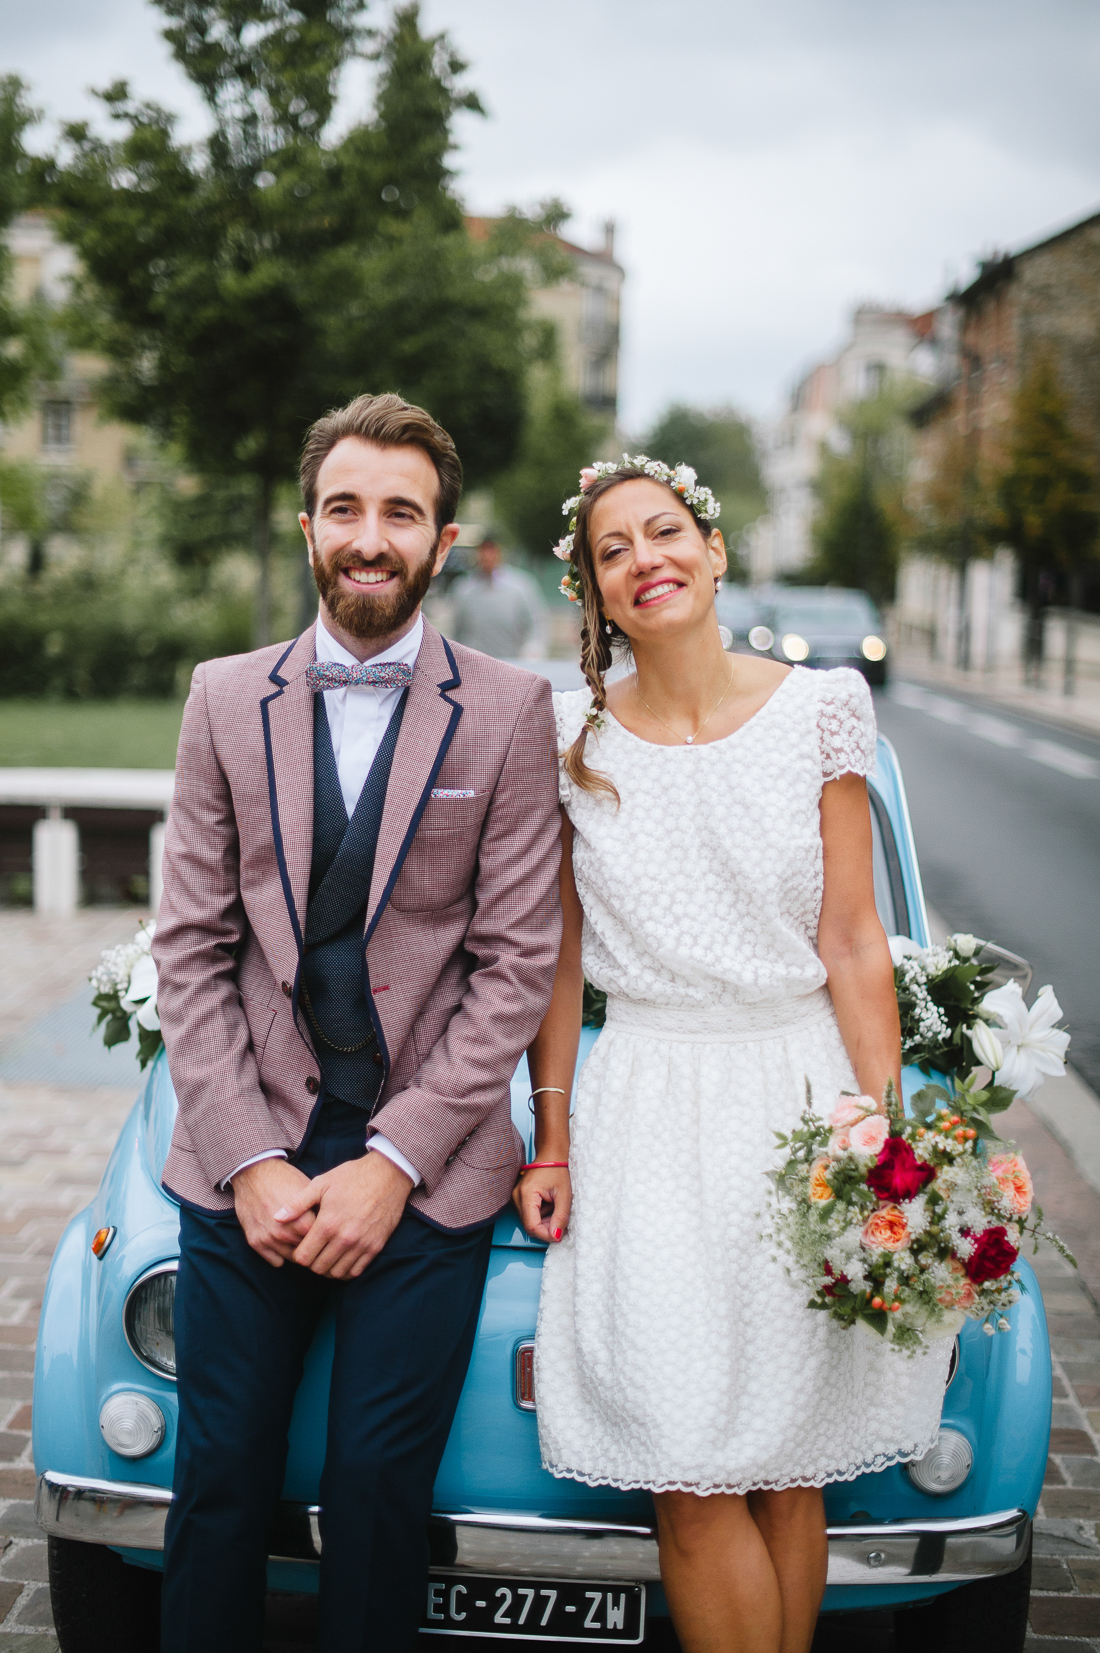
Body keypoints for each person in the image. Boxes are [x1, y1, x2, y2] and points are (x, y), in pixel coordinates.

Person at [513, 458, 951, 1653]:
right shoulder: (567, 732)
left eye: (664, 533)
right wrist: (550, 1134)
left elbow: (853, 939)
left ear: (711, 551)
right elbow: (558, 960)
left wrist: (886, 1134)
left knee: (786, 1465)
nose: (644, 558)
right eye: (614, 549)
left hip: (798, 1095)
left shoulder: (820, 711)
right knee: (688, 1471)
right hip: (645, 1104)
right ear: (593, 589)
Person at [152, 392, 562, 1653]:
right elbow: (190, 949)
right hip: (246, 1164)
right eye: (345, 509)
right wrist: (251, 1159)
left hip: (423, 1175)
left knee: (382, 1500)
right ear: (307, 528)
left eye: (400, 512)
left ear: (442, 541)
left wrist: (391, 1166)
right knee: (216, 1485)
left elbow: (514, 966)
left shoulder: (507, 711)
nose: (369, 535)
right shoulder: (224, 698)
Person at [448, 534, 546, 657]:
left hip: (513, 663)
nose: (488, 556)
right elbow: (457, 631)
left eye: (492, 550)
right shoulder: (464, 589)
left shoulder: (520, 587)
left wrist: (531, 656)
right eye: (483, 550)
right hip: (475, 665)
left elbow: (536, 625)